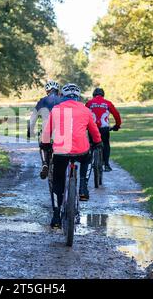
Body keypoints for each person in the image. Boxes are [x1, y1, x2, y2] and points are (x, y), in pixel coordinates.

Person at [41, 83, 102, 228]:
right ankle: (83, 186)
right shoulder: (85, 110)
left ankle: (56, 217)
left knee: (57, 181)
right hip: (81, 150)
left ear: (62, 96)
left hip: (61, 152)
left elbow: (47, 132)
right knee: (88, 157)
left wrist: (45, 144)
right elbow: (94, 131)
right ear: (78, 96)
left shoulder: (56, 110)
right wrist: (98, 142)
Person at [28, 80, 63, 180]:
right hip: (61, 130)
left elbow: (34, 117)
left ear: (47, 91)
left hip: (47, 129)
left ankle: (44, 164)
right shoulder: (63, 100)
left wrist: (30, 129)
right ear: (57, 90)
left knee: (43, 145)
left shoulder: (42, 100)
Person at [85, 87, 122, 172]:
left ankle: (90, 162)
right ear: (103, 95)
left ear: (93, 95)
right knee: (105, 144)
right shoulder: (107, 103)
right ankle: (106, 164)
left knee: (91, 144)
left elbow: (84, 114)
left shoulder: (89, 103)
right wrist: (117, 125)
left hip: (92, 128)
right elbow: (116, 115)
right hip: (104, 128)